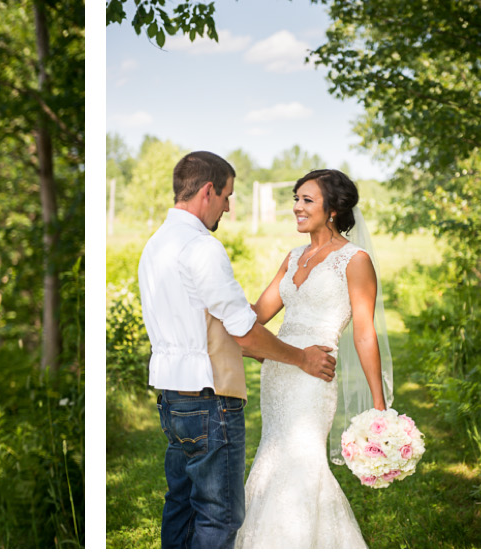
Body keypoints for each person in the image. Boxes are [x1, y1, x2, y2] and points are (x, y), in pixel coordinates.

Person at [137, 151, 336, 548]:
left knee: (180, 504)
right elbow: (243, 332)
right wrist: (302, 357)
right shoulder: (202, 247)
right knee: (219, 515)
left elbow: (208, 323)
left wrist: (261, 346)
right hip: (210, 400)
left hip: (172, 399)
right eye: (227, 196)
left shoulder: (155, 245)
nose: (228, 207)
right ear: (208, 191)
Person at [235, 169, 390, 548]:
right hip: (279, 372)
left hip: (315, 375)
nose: (297, 208)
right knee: (273, 454)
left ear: (333, 209)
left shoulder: (355, 260)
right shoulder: (292, 257)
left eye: (307, 200)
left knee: (302, 459)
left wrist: (379, 405)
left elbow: (365, 332)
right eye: (296, 199)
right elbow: (258, 316)